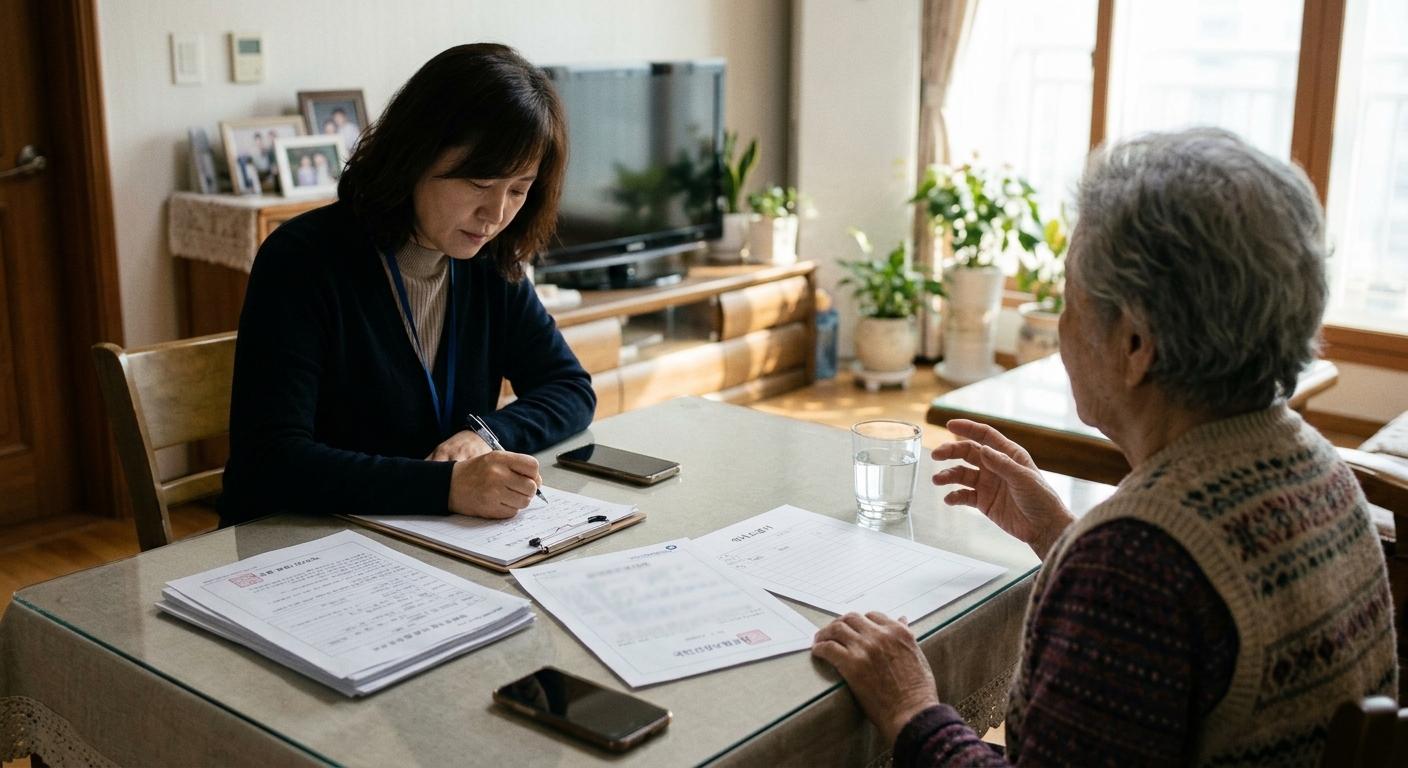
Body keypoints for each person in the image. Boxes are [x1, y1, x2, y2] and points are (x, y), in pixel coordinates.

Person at [811, 129, 1398, 767]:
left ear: (1136, 346)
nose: (1062, 328)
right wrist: (1060, 535)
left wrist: (911, 709)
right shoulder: (1322, 468)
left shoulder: (1134, 563)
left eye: (1071, 301)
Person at [219, 43, 593, 526]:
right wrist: (446, 487)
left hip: (425, 533)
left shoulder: (489, 262)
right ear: (416, 155)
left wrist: (485, 435)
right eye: (479, 184)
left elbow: (569, 388)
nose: (496, 214)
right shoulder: (303, 260)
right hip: (300, 536)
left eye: (519, 189)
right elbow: (270, 458)